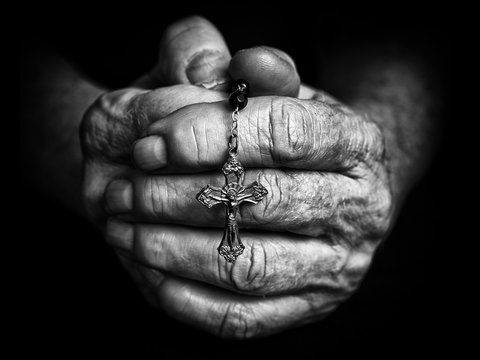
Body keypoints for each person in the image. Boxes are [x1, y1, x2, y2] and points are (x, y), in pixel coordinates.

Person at [21, 8, 451, 355]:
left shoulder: (235, 193)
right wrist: (84, 142)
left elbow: (414, 34)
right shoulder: (223, 191)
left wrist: (379, 145)